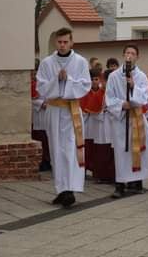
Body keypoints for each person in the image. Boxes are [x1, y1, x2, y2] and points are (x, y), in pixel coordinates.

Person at [35, 28, 91, 208]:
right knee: (56, 150)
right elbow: (41, 87)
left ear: (72, 42)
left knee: (71, 150)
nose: (62, 45)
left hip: (71, 110)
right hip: (54, 109)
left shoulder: (80, 62)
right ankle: (61, 189)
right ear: (55, 43)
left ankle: (71, 189)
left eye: (66, 42)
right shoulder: (47, 62)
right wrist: (56, 80)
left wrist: (68, 81)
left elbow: (85, 85)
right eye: (59, 42)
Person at [105, 45, 148, 198]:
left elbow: (144, 96)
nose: (130, 55)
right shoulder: (114, 76)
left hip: (136, 117)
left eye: (133, 53)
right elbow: (109, 96)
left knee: (138, 149)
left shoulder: (141, 76)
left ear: (137, 57)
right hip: (121, 118)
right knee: (121, 151)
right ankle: (120, 184)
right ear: (123, 55)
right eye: (127, 53)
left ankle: (136, 181)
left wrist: (133, 87)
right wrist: (122, 104)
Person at [80, 67, 106, 178]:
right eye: (91, 79)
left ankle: (96, 171)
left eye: (96, 79)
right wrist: (89, 111)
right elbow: (82, 108)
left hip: (98, 125)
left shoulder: (102, 92)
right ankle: (84, 170)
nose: (94, 82)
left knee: (96, 150)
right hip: (87, 124)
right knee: (87, 149)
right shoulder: (84, 92)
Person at [31, 59, 52, 172]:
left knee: (47, 139)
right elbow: (30, 99)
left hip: (48, 112)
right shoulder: (31, 84)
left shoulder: (45, 81)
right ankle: (41, 161)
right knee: (40, 138)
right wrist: (41, 103)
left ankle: (47, 161)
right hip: (38, 115)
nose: (34, 74)